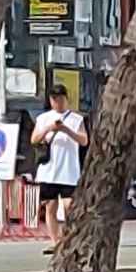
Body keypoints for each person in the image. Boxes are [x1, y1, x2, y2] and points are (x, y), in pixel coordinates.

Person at [30, 84, 88, 253]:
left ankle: (70, 239)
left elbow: (84, 140)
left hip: (69, 170)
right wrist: (50, 128)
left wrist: (65, 130)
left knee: (70, 206)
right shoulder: (43, 118)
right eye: (54, 100)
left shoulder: (76, 119)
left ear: (66, 99)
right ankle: (55, 241)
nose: (58, 103)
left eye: (61, 99)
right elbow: (34, 139)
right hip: (49, 170)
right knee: (50, 206)